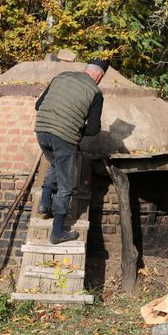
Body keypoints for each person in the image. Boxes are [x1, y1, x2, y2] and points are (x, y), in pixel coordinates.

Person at [34, 59, 107, 244]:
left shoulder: (61, 77)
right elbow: (93, 129)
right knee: (67, 183)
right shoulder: (95, 92)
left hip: (41, 131)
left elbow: (38, 105)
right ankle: (58, 232)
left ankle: (44, 203)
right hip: (64, 137)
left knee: (57, 164)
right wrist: (76, 128)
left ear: (86, 69)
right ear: (100, 76)